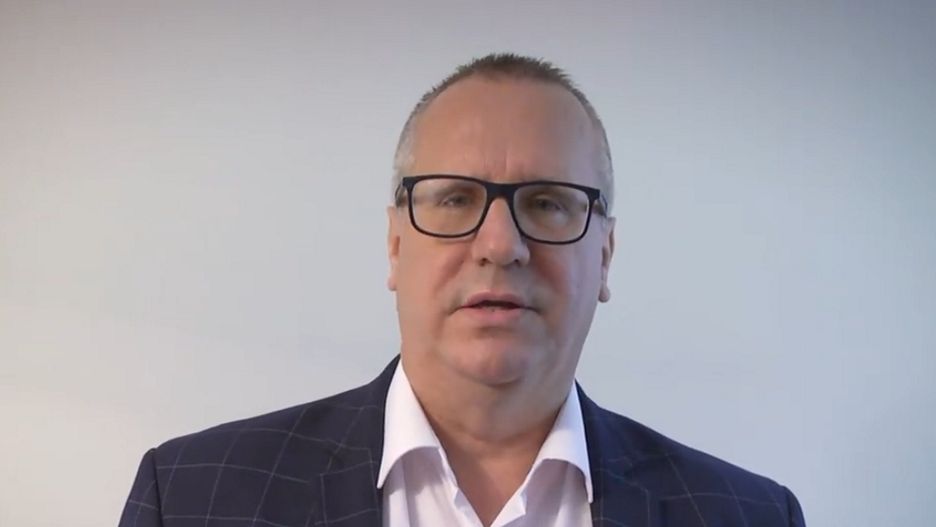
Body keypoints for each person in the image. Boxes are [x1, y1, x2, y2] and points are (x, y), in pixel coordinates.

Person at [119, 53, 806, 527]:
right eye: (454, 199)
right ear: (395, 244)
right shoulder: (189, 498)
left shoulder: (749, 516)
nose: (500, 244)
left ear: (605, 254)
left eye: (547, 202)